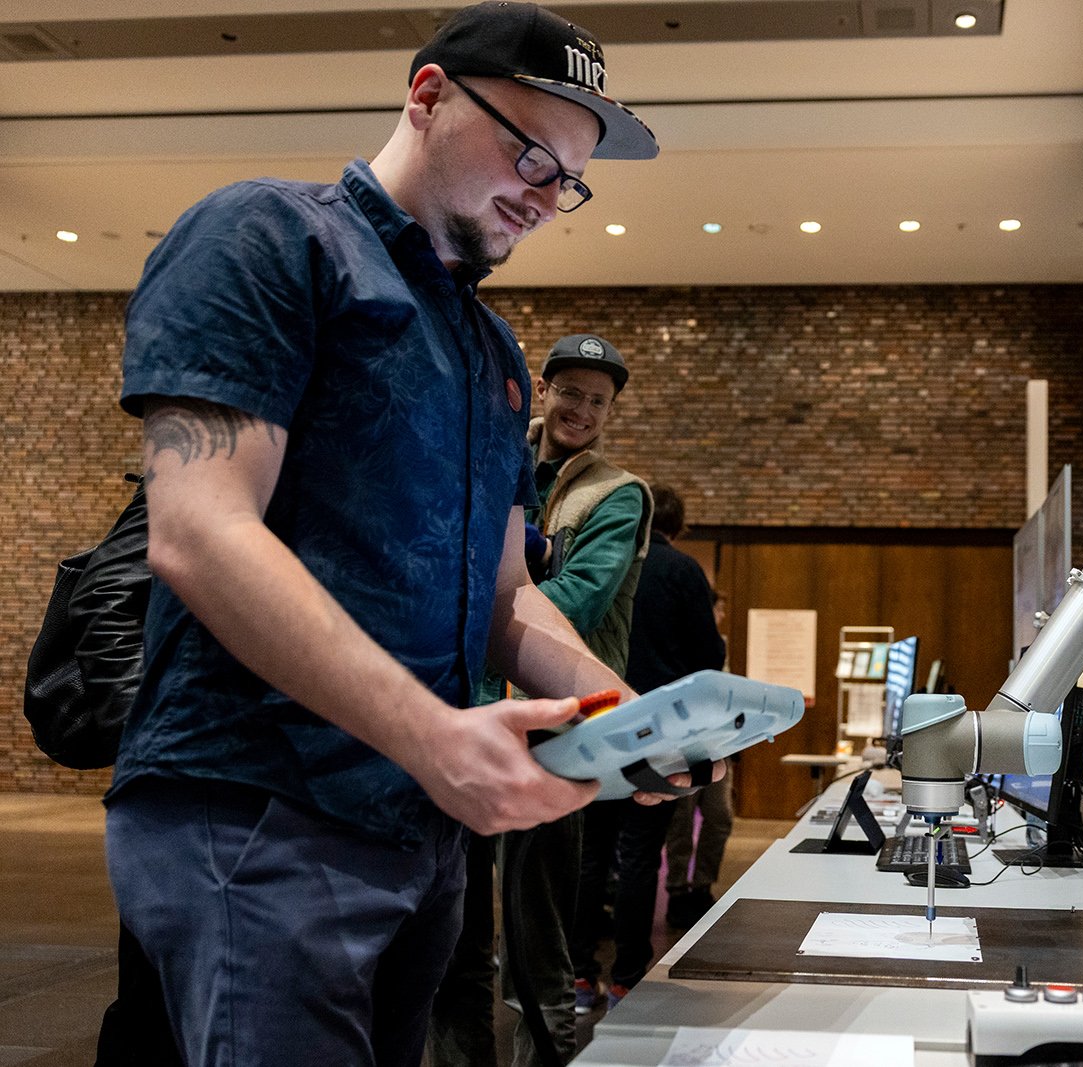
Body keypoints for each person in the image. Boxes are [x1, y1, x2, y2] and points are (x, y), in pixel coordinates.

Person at [101, 5, 719, 1064]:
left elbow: (506, 597)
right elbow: (200, 533)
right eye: (530, 149)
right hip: (260, 806)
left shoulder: (490, 347)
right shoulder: (267, 238)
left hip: (421, 829)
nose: (545, 193)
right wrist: (434, 737)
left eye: (567, 177)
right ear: (427, 96)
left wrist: (627, 714)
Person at [496, 332, 653, 1064]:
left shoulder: (617, 493)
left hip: (563, 728)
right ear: (544, 388)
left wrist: (473, 603)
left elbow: (579, 602)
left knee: (540, 938)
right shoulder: (496, 453)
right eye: (571, 392)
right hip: (471, 711)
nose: (582, 409)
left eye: (599, 400)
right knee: (456, 938)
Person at [569, 485, 725, 1010]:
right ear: (677, 527)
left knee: (589, 858)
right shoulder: (683, 571)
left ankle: (580, 978)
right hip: (658, 734)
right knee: (640, 859)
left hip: (598, 721)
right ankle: (626, 981)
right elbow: (709, 656)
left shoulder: (601, 563)